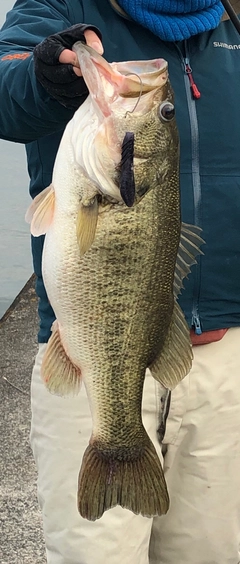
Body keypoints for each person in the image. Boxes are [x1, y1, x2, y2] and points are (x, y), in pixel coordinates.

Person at [1, 1, 240, 563]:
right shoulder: (57, 6)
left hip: (228, 362)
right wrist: (42, 75)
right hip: (92, 362)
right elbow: (5, 90)